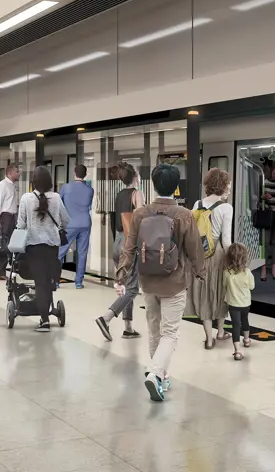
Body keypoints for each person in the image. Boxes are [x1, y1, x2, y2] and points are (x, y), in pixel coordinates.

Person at [115, 164, 205, 402]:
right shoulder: (183, 214)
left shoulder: (141, 214)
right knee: (170, 334)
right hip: (174, 282)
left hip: (148, 281)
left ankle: (161, 377)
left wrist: (122, 275)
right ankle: (155, 373)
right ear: (176, 187)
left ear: (154, 185)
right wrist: (200, 271)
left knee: (154, 330)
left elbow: (130, 247)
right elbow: (195, 249)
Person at [16, 167, 69, 332]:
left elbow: (21, 224)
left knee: (40, 283)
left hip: (33, 247)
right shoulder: (57, 198)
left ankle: (44, 320)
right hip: (52, 247)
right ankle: (49, 309)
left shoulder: (26, 199)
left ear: (33, 182)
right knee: (48, 281)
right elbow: (66, 221)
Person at [94, 162, 142, 341]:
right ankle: (105, 318)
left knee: (126, 286)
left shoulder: (119, 195)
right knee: (132, 289)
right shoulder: (137, 194)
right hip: (129, 244)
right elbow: (140, 219)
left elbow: (118, 221)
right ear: (135, 176)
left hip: (118, 242)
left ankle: (128, 328)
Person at [188, 167, 233, 349]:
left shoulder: (197, 204)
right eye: (228, 185)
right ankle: (220, 332)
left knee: (203, 294)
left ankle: (208, 338)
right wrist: (233, 261)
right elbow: (227, 240)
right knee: (220, 292)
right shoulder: (225, 208)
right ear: (222, 186)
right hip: (218, 254)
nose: (229, 188)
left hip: (199, 254)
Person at [58, 164, 94, 289]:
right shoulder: (90, 190)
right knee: (82, 253)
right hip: (85, 223)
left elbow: (59, 205)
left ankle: (56, 280)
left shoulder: (66, 188)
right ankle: (78, 282)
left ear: (74, 173)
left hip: (70, 224)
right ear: (85, 175)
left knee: (61, 252)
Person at [222, 243, 254, 361]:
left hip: (233, 303)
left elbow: (224, 285)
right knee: (245, 320)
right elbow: (252, 286)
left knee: (235, 325)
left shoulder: (227, 272)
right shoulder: (247, 272)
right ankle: (246, 340)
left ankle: (237, 351)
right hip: (246, 303)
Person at [0, 164, 21, 281]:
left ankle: (0, 272)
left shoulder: (12, 186)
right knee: (1, 244)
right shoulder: (2, 186)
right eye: (17, 171)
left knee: (7, 245)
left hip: (12, 217)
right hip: (5, 217)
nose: (19, 174)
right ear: (9, 173)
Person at [259, 160, 275, 281]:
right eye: (274, 169)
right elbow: (260, 198)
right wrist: (264, 197)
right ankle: (263, 269)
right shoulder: (265, 183)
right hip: (267, 215)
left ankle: (274, 269)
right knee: (265, 243)